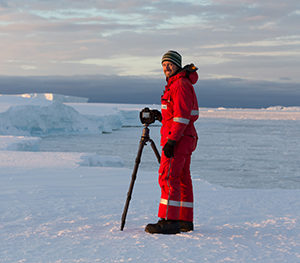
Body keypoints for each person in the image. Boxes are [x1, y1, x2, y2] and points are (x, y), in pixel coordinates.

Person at [145, 50, 199, 234]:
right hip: (184, 137)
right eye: (164, 65)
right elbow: (177, 114)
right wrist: (161, 117)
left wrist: (172, 141)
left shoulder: (180, 85)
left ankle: (169, 220)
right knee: (182, 178)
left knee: (167, 177)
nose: (166, 67)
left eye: (170, 64)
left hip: (179, 139)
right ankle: (184, 220)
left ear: (177, 65)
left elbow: (182, 117)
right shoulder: (176, 84)